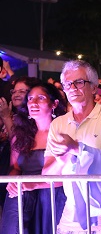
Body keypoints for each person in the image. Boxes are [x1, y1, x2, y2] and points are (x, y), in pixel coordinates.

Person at [42, 60, 101, 233]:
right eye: (67, 84)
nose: (72, 88)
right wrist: (62, 158)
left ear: (94, 87)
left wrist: (76, 148)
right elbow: (48, 174)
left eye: (79, 82)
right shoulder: (58, 124)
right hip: (72, 218)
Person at [1, 82, 67, 234]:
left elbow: (66, 174)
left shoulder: (63, 132)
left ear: (54, 104)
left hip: (52, 196)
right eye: (30, 98)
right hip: (23, 196)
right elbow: (15, 167)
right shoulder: (20, 134)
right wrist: (13, 182)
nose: (34, 102)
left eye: (41, 98)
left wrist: (30, 185)